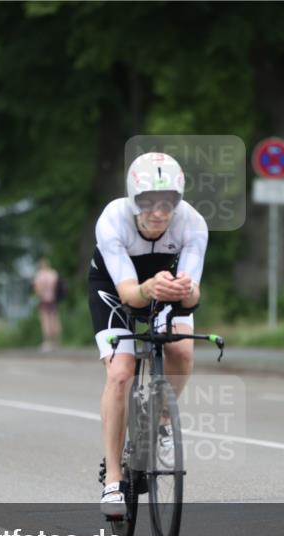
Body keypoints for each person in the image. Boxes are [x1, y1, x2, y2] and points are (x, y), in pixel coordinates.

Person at [88, 152, 208, 516]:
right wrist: (150, 288)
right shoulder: (113, 219)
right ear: (132, 199)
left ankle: (163, 421)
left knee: (183, 353)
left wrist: (185, 290)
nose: (158, 212)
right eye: (148, 202)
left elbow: (195, 294)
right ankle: (112, 479)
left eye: (168, 202)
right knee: (121, 372)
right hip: (115, 288)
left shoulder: (193, 224)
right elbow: (128, 294)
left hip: (165, 289)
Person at [33, 258, 62, 352]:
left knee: (45, 321)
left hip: (44, 300)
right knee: (55, 320)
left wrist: (40, 294)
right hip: (53, 300)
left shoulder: (40, 275)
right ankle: (56, 342)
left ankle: (47, 342)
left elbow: (38, 289)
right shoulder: (53, 274)